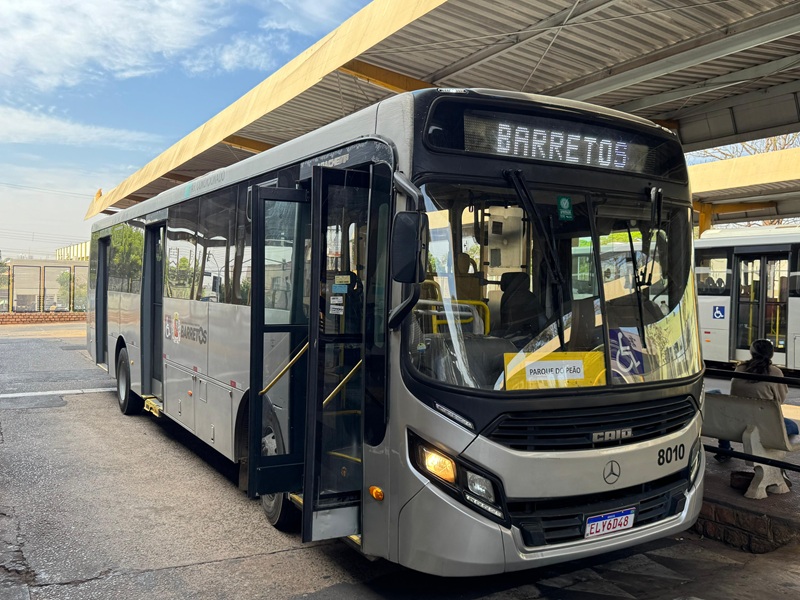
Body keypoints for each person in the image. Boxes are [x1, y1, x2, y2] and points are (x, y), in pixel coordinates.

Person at [715, 339, 799, 464]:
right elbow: (780, 400)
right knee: (793, 427)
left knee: (718, 400)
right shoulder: (775, 372)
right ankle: (767, 455)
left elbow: (734, 392)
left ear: (751, 352)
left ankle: (724, 449)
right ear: (771, 354)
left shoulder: (740, 368)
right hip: (763, 426)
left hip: (735, 424)